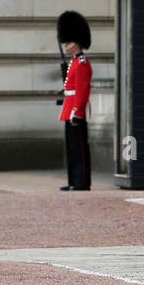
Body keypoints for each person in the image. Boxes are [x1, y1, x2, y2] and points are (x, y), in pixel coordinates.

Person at [57, 10, 92, 191]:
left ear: (76, 43)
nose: (66, 46)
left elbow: (82, 91)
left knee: (79, 148)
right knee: (72, 148)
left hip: (74, 111)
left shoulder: (82, 63)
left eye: (69, 42)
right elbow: (71, 88)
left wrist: (76, 112)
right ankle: (73, 180)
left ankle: (82, 181)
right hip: (69, 108)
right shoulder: (73, 63)